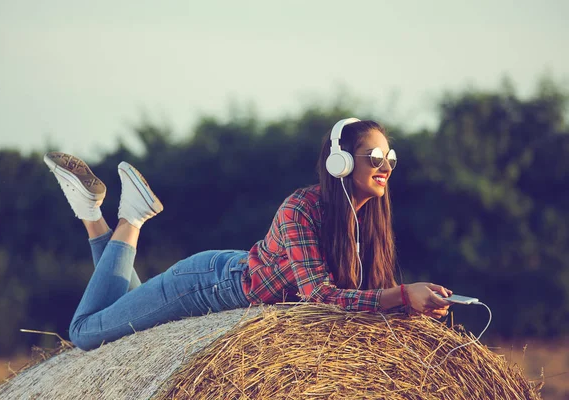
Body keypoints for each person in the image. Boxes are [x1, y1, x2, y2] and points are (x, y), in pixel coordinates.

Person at [45, 118, 452, 351]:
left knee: (122, 312)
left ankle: (89, 212)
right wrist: (402, 293)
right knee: (85, 333)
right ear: (341, 162)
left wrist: (412, 304)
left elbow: (354, 301)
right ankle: (132, 217)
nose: (386, 167)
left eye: (391, 159)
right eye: (376, 157)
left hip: (231, 276)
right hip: (207, 284)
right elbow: (321, 297)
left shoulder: (368, 224)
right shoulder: (302, 208)